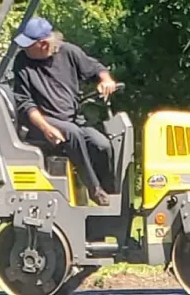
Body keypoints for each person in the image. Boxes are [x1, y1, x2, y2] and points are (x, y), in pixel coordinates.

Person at [12, 16, 118, 206]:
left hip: (72, 120)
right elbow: (25, 104)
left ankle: (111, 193)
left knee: (102, 144)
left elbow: (95, 68)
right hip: (42, 122)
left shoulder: (69, 52)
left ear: (44, 44)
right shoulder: (22, 62)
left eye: (29, 45)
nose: (24, 49)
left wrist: (106, 80)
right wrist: (45, 128)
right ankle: (95, 190)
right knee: (73, 134)